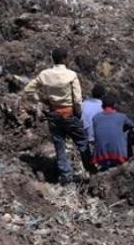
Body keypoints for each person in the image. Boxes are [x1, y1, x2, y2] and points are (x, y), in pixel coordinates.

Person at [24, 48, 92, 184]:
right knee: (82, 142)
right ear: (64, 59)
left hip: (54, 113)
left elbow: (28, 90)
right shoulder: (71, 75)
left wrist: (40, 100)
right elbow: (78, 100)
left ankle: (66, 177)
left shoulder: (45, 74)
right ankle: (91, 170)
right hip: (69, 113)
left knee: (59, 146)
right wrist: (78, 114)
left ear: (53, 59)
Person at [90, 93, 134, 170]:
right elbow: (132, 125)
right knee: (129, 132)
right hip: (119, 157)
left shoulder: (95, 118)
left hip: (100, 158)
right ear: (115, 105)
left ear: (102, 106)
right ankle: (128, 157)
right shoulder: (121, 116)